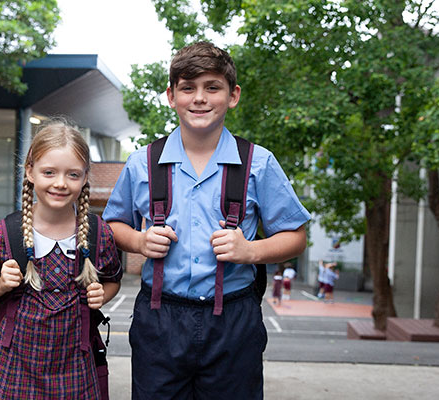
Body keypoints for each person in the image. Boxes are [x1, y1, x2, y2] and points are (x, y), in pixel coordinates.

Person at [103, 41, 311, 399]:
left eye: (212, 87)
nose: (200, 98)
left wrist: (250, 250)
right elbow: (112, 225)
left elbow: (295, 236)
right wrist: (138, 242)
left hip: (233, 320)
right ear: (171, 96)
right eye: (188, 88)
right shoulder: (142, 164)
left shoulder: (258, 164)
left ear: (233, 96)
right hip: (160, 317)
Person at [0, 120, 122, 399]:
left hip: (75, 370)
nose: (60, 183)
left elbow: (112, 281)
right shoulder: (5, 234)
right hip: (10, 370)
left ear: (85, 177)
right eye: (49, 172)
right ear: (30, 172)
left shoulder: (98, 234)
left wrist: (102, 294)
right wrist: (1, 285)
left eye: (73, 174)